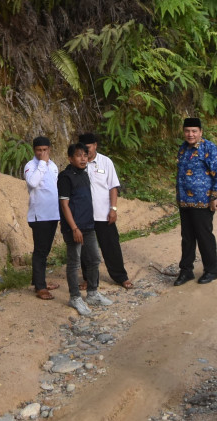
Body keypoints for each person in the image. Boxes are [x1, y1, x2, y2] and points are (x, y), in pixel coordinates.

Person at [59, 142, 111, 316]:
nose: (83, 158)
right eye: (79, 155)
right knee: (74, 263)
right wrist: (74, 228)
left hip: (88, 226)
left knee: (95, 259)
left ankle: (92, 293)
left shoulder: (84, 174)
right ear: (70, 158)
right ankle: (75, 297)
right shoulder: (65, 177)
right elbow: (64, 205)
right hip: (74, 228)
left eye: (85, 155)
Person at [79, 132, 134, 289]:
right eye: (82, 148)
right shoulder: (78, 164)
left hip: (104, 213)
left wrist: (113, 209)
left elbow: (113, 187)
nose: (85, 151)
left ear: (95, 145)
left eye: (88, 147)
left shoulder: (105, 162)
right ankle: (88, 278)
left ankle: (120, 277)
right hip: (84, 216)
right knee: (85, 249)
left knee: (111, 246)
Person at [174, 117, 217, 286]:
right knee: (187, 238)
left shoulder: (209, 148)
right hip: (185, 201)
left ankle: (212, 270)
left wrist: (214, 196)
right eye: (187, 131)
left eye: (194, 131)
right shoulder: (183, 148)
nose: (190, 134)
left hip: (203, 201)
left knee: (204, 236)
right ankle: (186, 271)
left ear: (201, 132)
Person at [23, 136, 61, 300]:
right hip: (39, 215)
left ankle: (40, 281)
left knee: (45, 250)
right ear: (34, 150)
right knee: (40, 251)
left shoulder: (53, 166)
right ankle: (40, 287)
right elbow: (33, 183)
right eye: (39, 150)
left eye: (45, 150)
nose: (42, 153)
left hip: (53, 213)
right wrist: (42, 164)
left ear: (49, 149)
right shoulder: (30, 166)